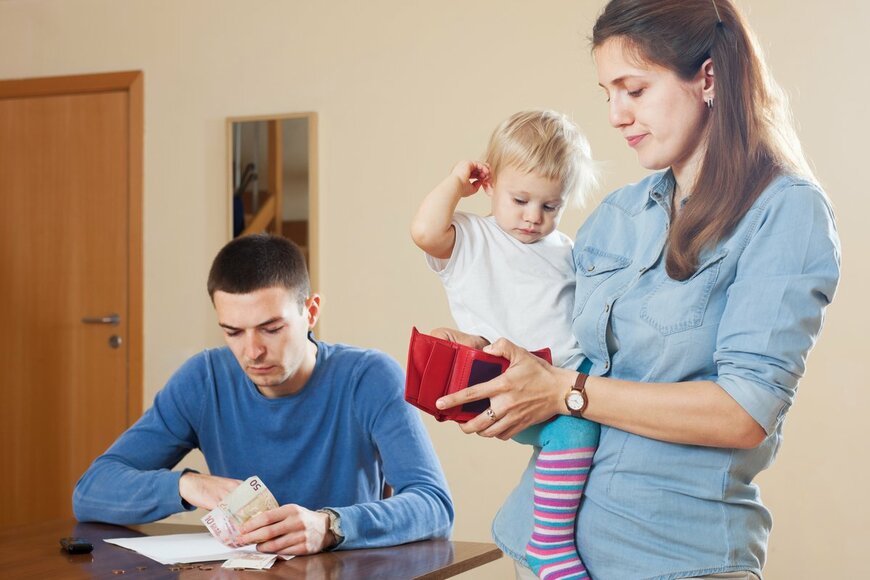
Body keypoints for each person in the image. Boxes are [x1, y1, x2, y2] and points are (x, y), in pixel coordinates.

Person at [433, 1, 841, 579]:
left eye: (634, 90)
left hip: (671, 560)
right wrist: (495, 365)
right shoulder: (615, 217)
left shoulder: (785, 212)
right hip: (544, 549)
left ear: (707, 78)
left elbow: (743, 413)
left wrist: (565, 393)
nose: (617, 115)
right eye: (607, 94)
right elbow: (573, 365)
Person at [73, 234, 454, 555]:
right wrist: (189, 484)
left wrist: (331, 526)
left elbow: (434, 505)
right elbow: (91, 492)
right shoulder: (203, 379)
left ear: (311, 311)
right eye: (233, 332)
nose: (252, 351)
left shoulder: (370, 377)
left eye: (271, 328)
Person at [411, 110, 599, 580]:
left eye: (550, 206)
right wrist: (456, 183)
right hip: (510, 386)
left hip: (570, 374)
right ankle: (549, 542)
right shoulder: (472, 237)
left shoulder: (565, 249)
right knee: (578, 431)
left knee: (609, 408)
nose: (534, 218)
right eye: (520, 200)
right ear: (490, 183)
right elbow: (424, 233)